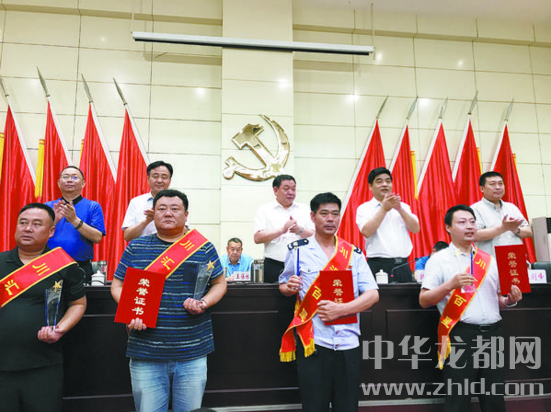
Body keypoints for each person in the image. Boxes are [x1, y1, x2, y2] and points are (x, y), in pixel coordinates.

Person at [111, 189, 227, 412]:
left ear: (186, 215)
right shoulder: (136, 247)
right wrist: (132, 310)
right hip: (145, 351)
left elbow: (220, 283)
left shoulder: (203, 247)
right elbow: (117, 285)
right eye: (161, 209)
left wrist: (203, 303)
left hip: (192, 351)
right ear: (153, 213)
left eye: (175, 209)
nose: (168, 213)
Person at [279, 192, 379, 412]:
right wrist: (289, 287)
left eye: (335, 214)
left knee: (347, 406)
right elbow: (284, 285)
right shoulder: (298, 251)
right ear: (312, 217)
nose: (330, 219)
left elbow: (372, 294)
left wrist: (341, 309)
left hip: (348, 343)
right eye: (324, 213)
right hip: (313, 344)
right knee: (314, 406)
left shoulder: (353, 254)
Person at [419, 204, 522, 412]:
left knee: (494, 399)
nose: (469, 226)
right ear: (448, 227)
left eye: (472, 222)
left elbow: (498, 299)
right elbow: (424, 300)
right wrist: (450, 285)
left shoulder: (489, 261)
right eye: (462, 222)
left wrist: (510, 300)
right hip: (460, 335)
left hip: (493, 334)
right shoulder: (439, 260)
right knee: (458, 399)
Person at [0, 203, 86, 412]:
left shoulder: (64, 265)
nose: (27, 228)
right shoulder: (1, 261)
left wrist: (60, 329)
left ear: (51, 231)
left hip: (44, 363)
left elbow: (78, 303)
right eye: (23, 223)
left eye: (36, 224)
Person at [356, 167, 420, 283]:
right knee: (380, 295)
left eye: (388, 181)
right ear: (370, 186)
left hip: (403, 265)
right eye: (379, 181)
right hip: (379, 265)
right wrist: (384, 209)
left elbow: (416, 229)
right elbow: (366, 232)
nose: (385, 184)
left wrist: (399, 209)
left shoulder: (403, 206)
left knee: (407, 295)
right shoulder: (364, 208)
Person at [45, 166, 105, 283]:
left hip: (81, 267)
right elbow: (37, 237)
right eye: (65, 177)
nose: (69, 180)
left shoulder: (92, 206)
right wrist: (54, 222)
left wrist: (75, 220)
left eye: (74, 177)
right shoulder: (48, 206)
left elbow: (97, 237)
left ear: (83, 184)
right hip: (50, 267)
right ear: (59, 183)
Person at [254, 174, 314, 283]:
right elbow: (257, 238)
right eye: (286, 189)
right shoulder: (264, 210)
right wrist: (282, 230)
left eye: (293, 189)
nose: (290, 192)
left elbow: (315, 236)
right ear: (275, 190)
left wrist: (300, 230)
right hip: (274, 265)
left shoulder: (304, 209)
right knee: (272, 294)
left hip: (301, 265)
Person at [471, 171, 532, 257]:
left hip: (514, 258)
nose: (498, 187)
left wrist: (516, 230)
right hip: (490, 261)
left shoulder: (511, 207)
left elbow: (529, 232)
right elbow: (475, 235)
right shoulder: (475, 209)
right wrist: (503, 228)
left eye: (500, 184)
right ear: (482, 188)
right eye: (492, 184)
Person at [122, 160, 174, 242]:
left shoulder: (178, 202)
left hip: (169, 249)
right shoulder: (136, 202)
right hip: (142, 249)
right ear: (148, 179)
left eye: (164, 177)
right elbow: (127, 236)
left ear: (169, 181)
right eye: (155, 176)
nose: (159, 180)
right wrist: (147, 221)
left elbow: (185, 232)